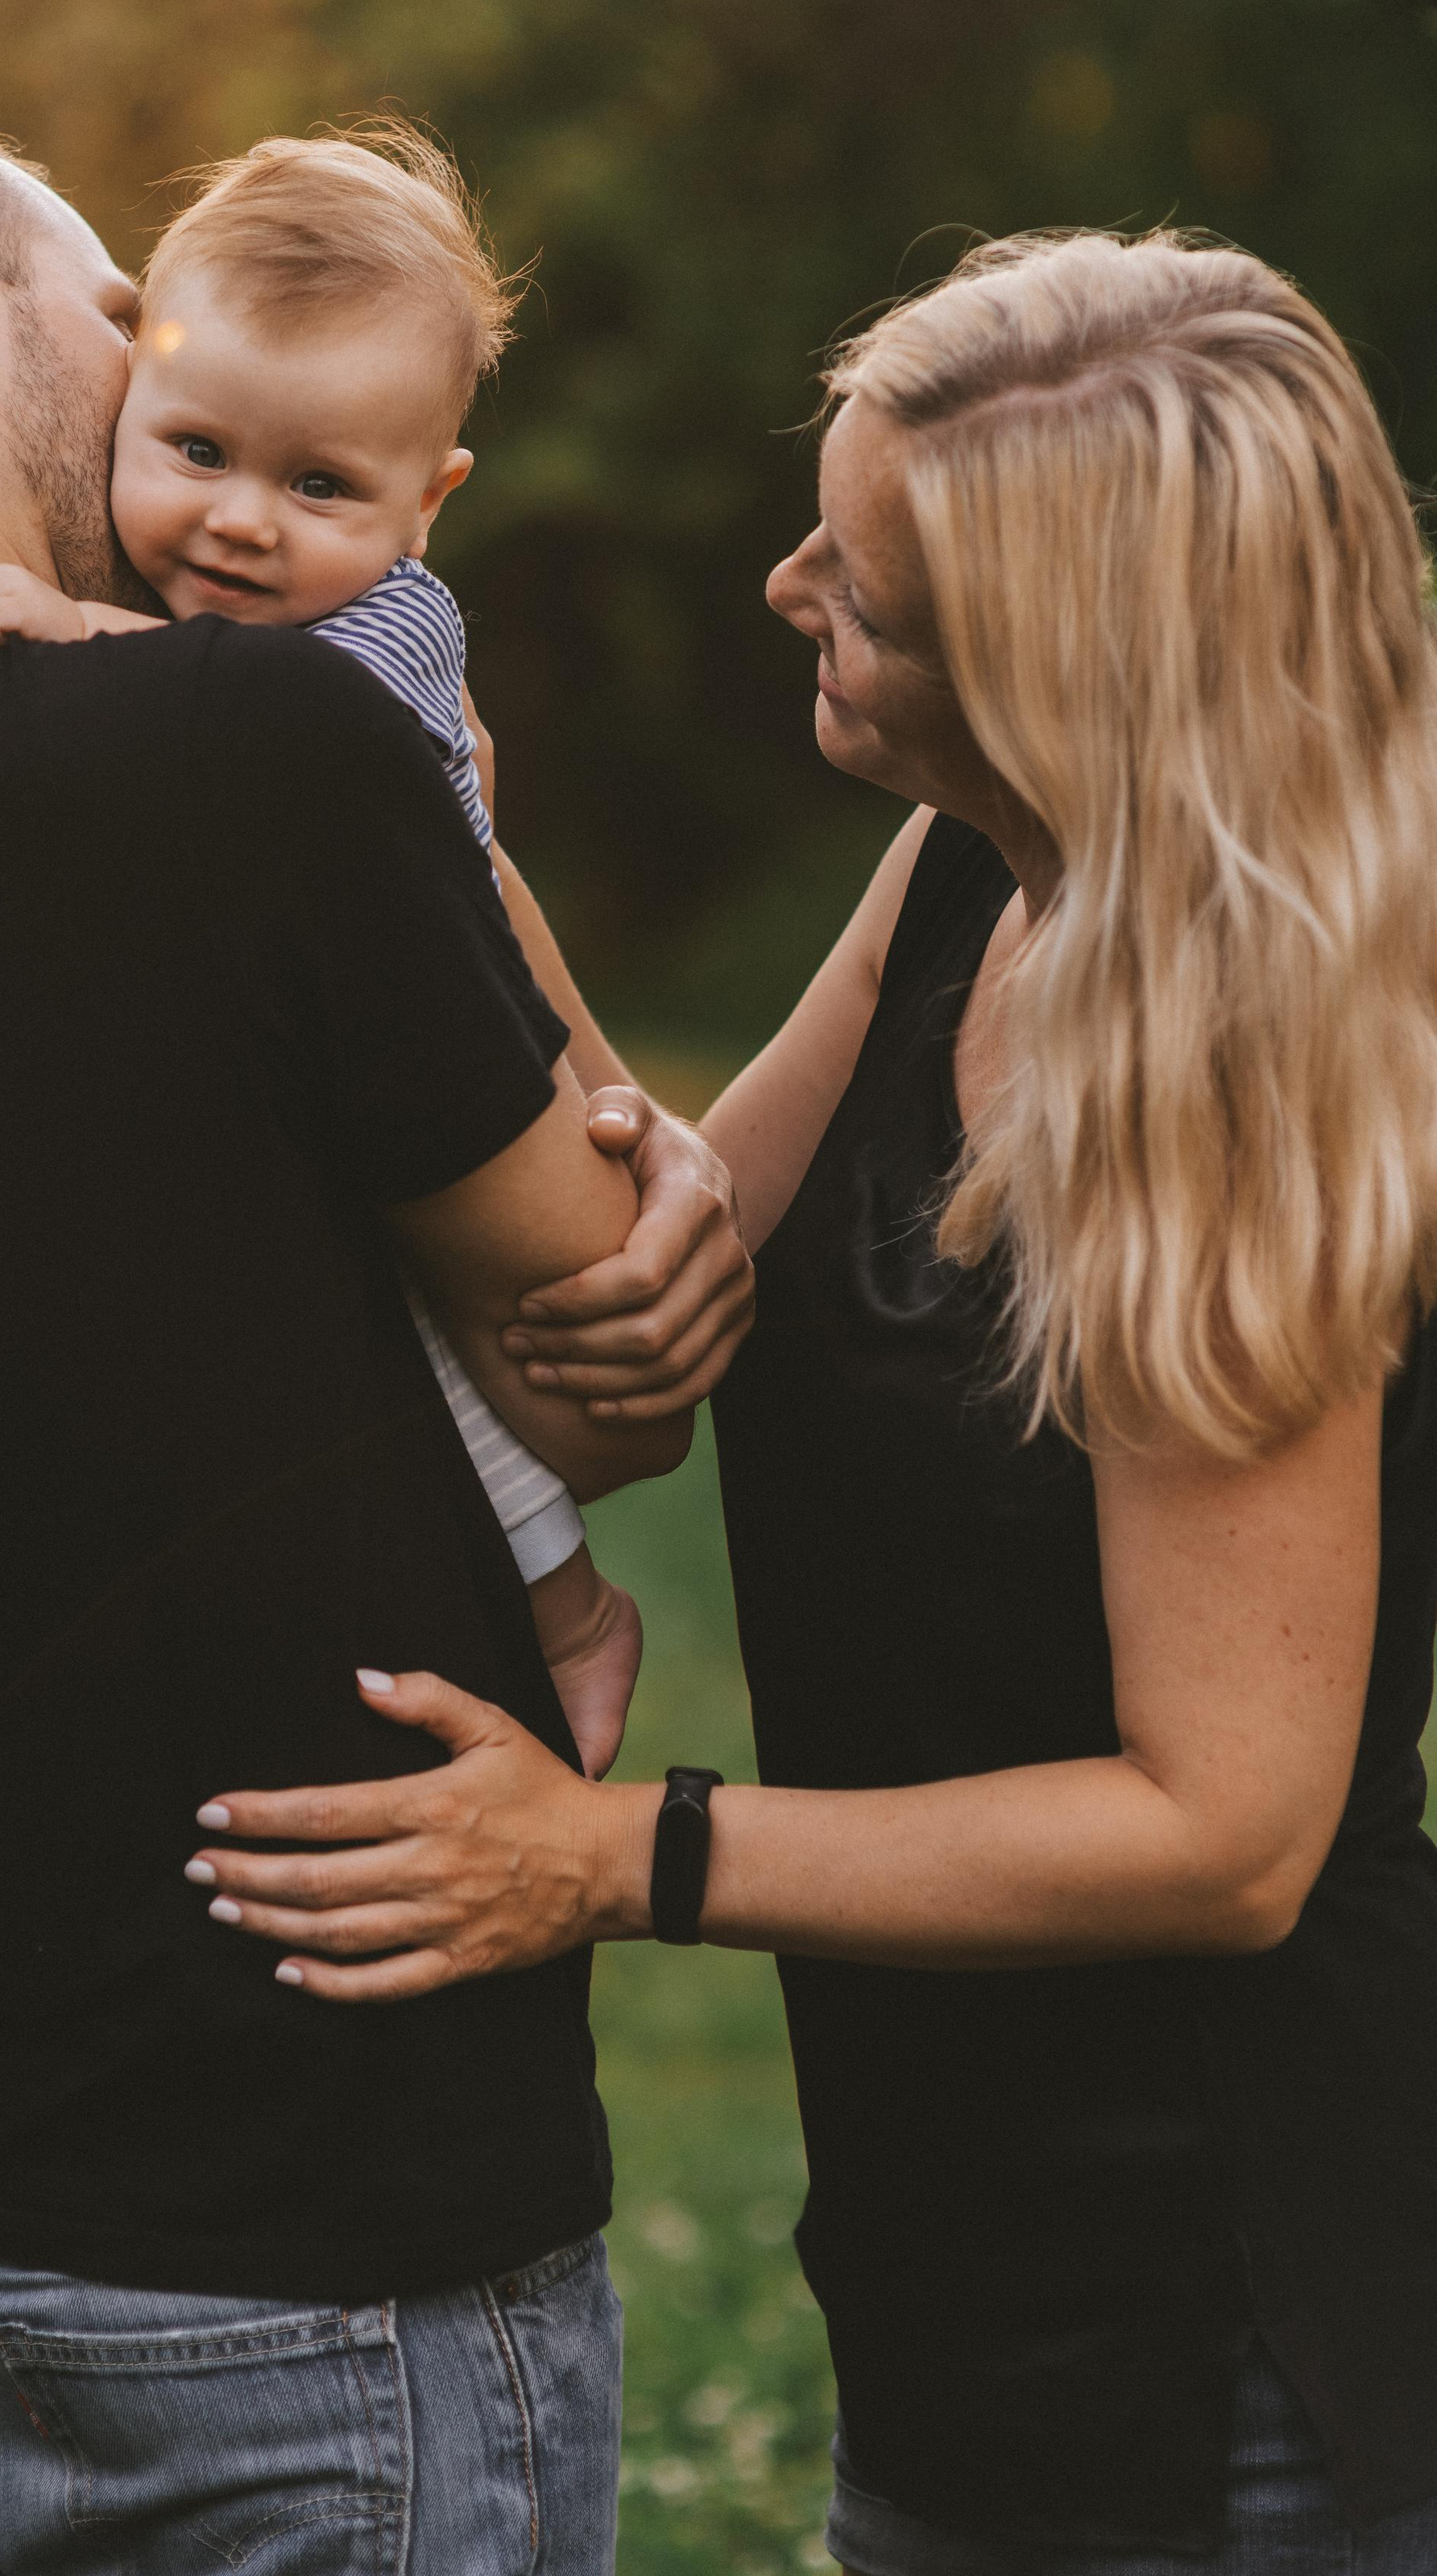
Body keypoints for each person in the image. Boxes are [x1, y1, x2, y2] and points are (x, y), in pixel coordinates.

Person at [0, 79, 755, 2574]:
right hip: (309, 2239)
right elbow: (611, 1355)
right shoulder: (251, 746)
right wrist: (595, 1041)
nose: (154, 372)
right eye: (117, 304)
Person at [187, 232, 1437, 2570]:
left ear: (1065, 683)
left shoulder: (1247, 1065)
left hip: (1224, 2344)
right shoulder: (985, 863)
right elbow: (643, 1241)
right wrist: (409, 829)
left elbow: (1228, 1827)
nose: (782, 591)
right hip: (950, 2264)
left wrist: (617, 1855)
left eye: (858, 588)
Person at [0, 121, 643, 1769]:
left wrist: (76, 635)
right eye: (193, 451)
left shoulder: (388, 632)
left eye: (319, 487)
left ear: (427, 503)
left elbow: (280, 738)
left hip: (433, 1048)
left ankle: (562, 1610)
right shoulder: (218, 589)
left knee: (430, 1353)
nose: (242, 523)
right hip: (290, 1036)